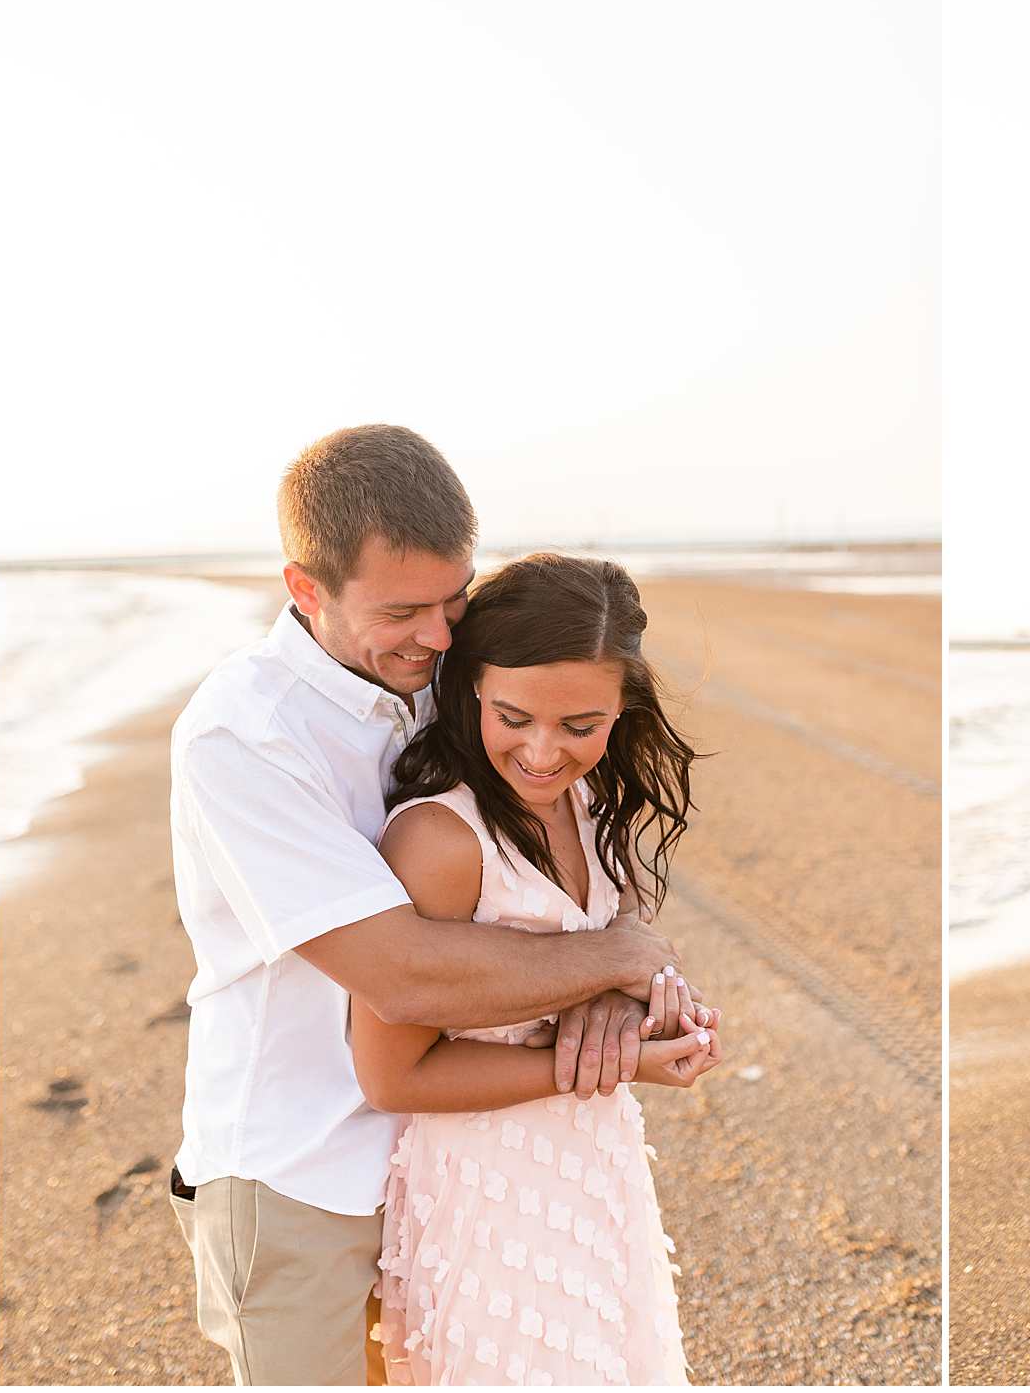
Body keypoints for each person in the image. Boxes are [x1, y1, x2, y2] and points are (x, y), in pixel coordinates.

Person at [168, 425, 692, 1386]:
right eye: (404, 609)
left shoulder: (440, 678)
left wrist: (613, 984)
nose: (441, 635)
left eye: (455, 600)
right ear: (306, 589)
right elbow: (400, 970)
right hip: (298, 1173)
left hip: (441, 1172)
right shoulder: (245, 734)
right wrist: (618, 961)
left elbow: (544, 864)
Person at [352, 553, 722, 1386]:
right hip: (487, 1201)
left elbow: (617, 946)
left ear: (621, 709)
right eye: (513, 715)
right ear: (471, 687)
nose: (543, 751)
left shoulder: (588, 807)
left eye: (580, 726)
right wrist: (608, 1058)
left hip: (594, 1173)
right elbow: (392, 1074)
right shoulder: (441, 842)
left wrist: (640, 1011)